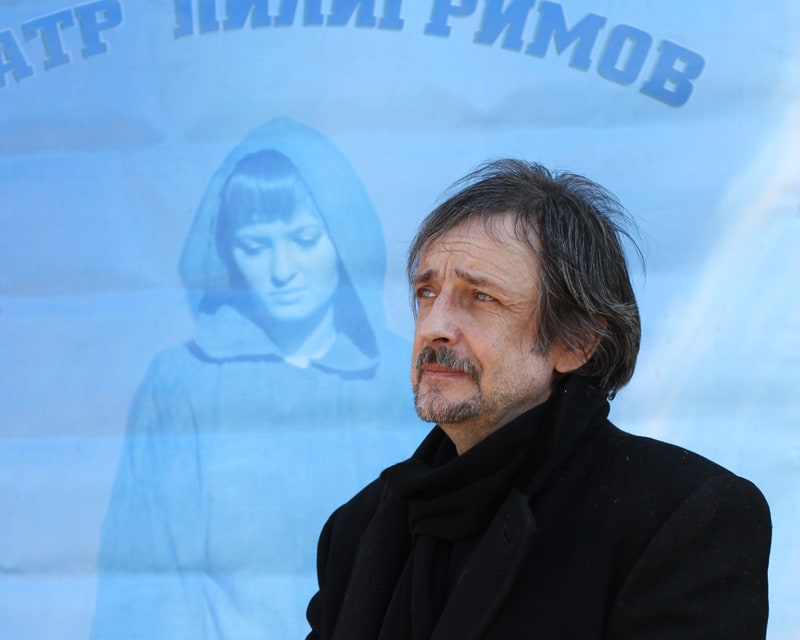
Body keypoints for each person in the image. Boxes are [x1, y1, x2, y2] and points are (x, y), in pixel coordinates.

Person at [305, 159, 772, 639]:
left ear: (576, 343)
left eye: (480, 296)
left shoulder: (683, 517)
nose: (434, 327)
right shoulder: (358, 529)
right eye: (427, 292)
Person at [91, 118, 423, 639]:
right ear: (225, 251)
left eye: (304, 239)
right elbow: (147, 589)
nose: (282, 268)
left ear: (344, 237)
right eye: (254, 245)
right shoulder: (181, 383)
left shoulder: (411, 379)